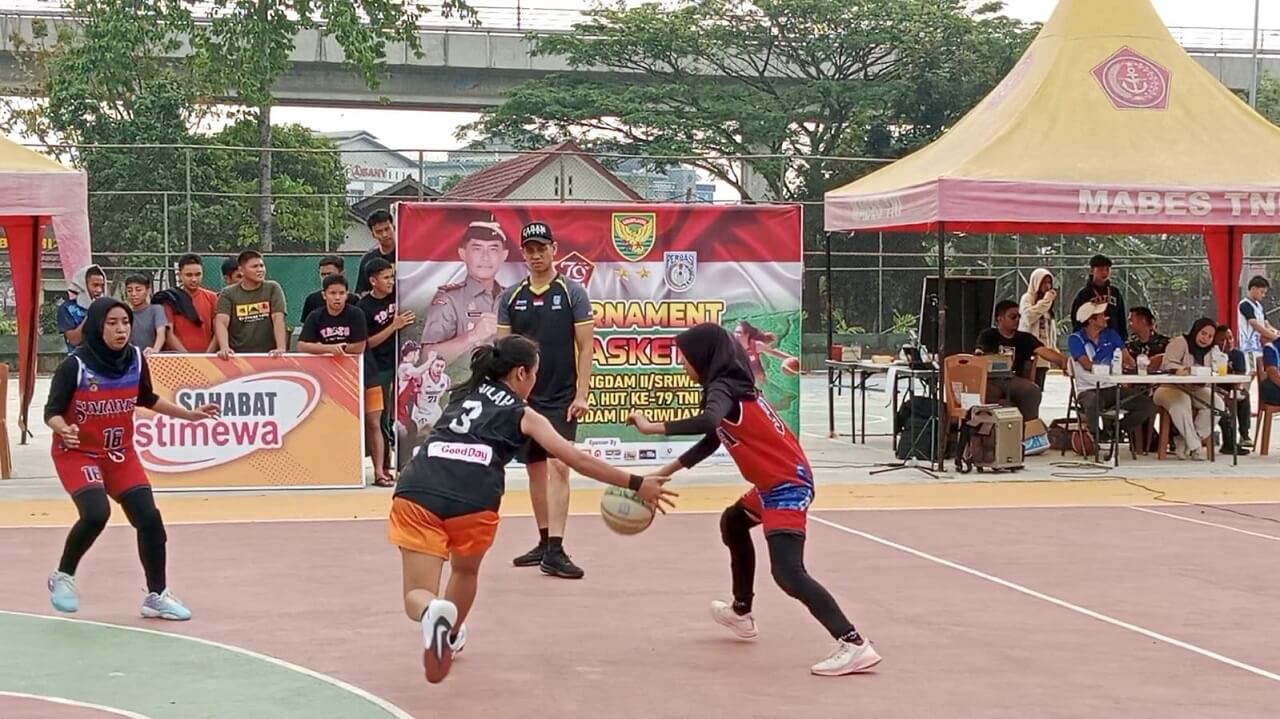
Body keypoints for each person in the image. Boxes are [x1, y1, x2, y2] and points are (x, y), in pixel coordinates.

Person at [390, 334, 676, 684]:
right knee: (465, 572)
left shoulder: (460, 395)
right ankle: (448, 635)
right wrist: (636, 482)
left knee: (416, 595)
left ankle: (433, 612)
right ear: (521, 373)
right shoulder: (523, 413)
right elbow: (577, 459)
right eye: (536, 374)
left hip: (420, 486)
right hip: (474, 495)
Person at [628, 322, 880, 677]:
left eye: (685, 358)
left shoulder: (722, 391)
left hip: (787, 486)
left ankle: (853, 643)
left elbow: (709, 420)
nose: (682, 364)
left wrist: (653, 426)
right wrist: (663, 473)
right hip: (772, 484)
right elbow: (714, 439)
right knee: (733, 522)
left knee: (788, 573)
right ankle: (741, 613)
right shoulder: (731, 387)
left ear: (703, 357)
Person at [44, 297, 219, 620]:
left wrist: (188, 416)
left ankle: (157, 595)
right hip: (78, 453)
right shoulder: (75, 366)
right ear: (97, 326)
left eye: (125, 322)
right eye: (112, 323)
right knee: (97, 513)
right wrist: (64, 428)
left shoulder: (136, 359)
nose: (121, 329)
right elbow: (51, 413)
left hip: (120, 454)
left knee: (149, 518)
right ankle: (63, 576)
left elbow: (148, 398)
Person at [498, 221, 595, 579]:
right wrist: (505, 394)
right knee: (535, 467)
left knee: (559, 466)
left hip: (562, 396)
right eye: (529, 249)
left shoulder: (572, 292)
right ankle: (543, 540)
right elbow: (502, 351)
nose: (536, 255)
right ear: (522, 253)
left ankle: (556, 548)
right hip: (524, 398)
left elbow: (586, 347)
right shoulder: (509, 297)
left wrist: (581, 395)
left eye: (542, 248)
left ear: (554, 248)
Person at [298, 274, 389, 485]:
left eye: (341, 293)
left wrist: (331, 349)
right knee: (333, 423)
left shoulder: (355, 314)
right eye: (332, 293)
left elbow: (359, 346)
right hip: (333, 379)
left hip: (367, 374)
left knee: (374, 423)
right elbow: (302, 346)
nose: (337, 298)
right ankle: (332, 470)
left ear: (347, 294)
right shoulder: (316, 316)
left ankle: (379, 472)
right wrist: (327, 349)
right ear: (324, 295)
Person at [1068, 301, 1154, 452]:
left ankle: (1116, 430)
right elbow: (1086, 364)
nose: (1106, 318)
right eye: (1101, 315)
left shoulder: (1112, 335)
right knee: (1093, 402)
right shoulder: (1075, 339)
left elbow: (1128, 359)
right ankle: (1095, 437)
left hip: (1112, 387)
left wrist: (1137, 364)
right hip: (1088, 389)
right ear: (1091, 320)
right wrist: (1110, 369)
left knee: (1146, 404)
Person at [421, 220, 509, 366]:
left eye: (493, 249)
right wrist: (472, 336)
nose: (485, 257)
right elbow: (426, 357)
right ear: (463, 254)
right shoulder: (449, 299)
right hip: (466, 385)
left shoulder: (513, 297)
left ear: (504, 255)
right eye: (477, 248)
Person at [360, 258, 415, 481]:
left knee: (404, 413)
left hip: (403, 364)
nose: (391, 281)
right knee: (381, 418)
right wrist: (393, 326)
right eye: (386, 278)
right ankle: (382, 466)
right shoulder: (364, 308)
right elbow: (366, 343)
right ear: (373, 281)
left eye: (392, 276)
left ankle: (406, 463)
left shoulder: (401, 296)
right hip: (380, 367)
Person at [974, 300, 1066, 423]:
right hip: (990, 379)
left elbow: (1044, 351)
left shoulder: (1025, 338)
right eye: (1013, 317)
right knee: (989, 393)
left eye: (1019, 317)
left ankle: (1029, 430)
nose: (1017, 320)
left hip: (1013, 379)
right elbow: (978, 354)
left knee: (1032, 390)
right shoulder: (988, 335)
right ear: (1000, 319)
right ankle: (989, 433)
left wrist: (1063, 360)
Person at [1154, 318, 1223, 461]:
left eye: (1210, 336)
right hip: (1168, 387)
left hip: (1195, 389)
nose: (1206, 339)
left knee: (1217, 404)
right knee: (1182, 401)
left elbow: (1211, 372)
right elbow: (1167, 364)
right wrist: (1189, 370)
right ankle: (1195, 447)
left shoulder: (1211, 351)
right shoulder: (1180, 342)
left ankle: (1185, 441)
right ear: (1196, 330)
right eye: (1203, 333)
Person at [215, 250, 287, 358]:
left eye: (261, 266)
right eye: (254, 267)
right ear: (241, 270)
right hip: (237, 356)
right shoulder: (228, 293)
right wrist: (224, 348)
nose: (260, 270)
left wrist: (281, 348)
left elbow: (278, 319)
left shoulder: (272, 288)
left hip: (268, 355)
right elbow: (221, 322)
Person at [156, 253, 218, 353]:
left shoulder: (212, 297)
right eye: (189, 275)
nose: (194, 279)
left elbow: (218, 332)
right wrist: (187, 357)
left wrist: (207, 356)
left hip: (208, 360)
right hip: (179, 360)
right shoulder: (171, 299)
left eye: (198, 274)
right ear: (180, 275)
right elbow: (169, 334)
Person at [1214, 325, 1252, 455]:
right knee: (1224, 402)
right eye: (1222, 340)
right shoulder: (1211, 355)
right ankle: (1229, 442)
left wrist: (1235, 391)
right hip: (1215, 389)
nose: (1228, 342)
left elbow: (1240, 378)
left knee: (1244, 396)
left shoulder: (1238, 355)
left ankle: (1244, 434)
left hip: (1231, 387)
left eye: (1230, 338)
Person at [1018, 268, 1059, 389]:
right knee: (1027, 388)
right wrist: (1046, 301)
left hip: (1044, 357)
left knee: (1038, 390)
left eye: (1049, 282)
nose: (1047, 286)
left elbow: (1050, 330)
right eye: (1044, 282)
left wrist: (1054, 352)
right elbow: (1029, 317)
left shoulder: (1048, 304)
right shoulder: (1027, 298)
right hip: (1029, 354)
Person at [1070, 254, 1126, 335]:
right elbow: (1077, 319)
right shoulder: (1084, 294)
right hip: (1092, 337)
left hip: (1113, 337)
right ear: (1092, 270)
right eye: (1100, 269)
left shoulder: (1115, 292)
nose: (1104, 273)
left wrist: (1123, 339)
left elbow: (1121, 318)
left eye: (1107, 269)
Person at [57, 264, 107, 353]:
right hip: (79, 361)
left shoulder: (108, 308)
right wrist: (92, 312)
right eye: (95, 285)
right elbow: (74, 340)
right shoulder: (66, 308)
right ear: (83, 285)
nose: (99, 290)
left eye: (102, 286)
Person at [123, 274, 169, 356]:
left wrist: (155, 350)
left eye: (138, 290)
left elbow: (161, 333)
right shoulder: (125, 313)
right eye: (130, 290)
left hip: (153, 358)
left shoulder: (156, 310)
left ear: (148, 291)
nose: (133, 294)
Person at [1238, 275, 1278, 361]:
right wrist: (1274, 337)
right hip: (1248, 347)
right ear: (1253, 289)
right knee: (1251, 370)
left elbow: (1267, 324)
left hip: (1259, 346)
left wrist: (1276, 332)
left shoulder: (1259, 306)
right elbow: (1255, 325)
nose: (1263, 295)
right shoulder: (1245, 305)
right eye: (1262, 292)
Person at [356, 210, 396, 296]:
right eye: (379, 231)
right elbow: (362, 291)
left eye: (387, 229)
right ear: (373, 234)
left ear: (394, 227)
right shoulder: (367, 260)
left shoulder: (406, 255)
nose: (384, 234)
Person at [299, 255, 350, 324]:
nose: (326, 278)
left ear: (342, 274)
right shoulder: (311, 300)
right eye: (323, 274)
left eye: (330, 274)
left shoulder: (353, 300)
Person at [1125, 307, 1170, 371]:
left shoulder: (1165, 344)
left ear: (1142, 321)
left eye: (1131, 320)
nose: (1129, 324)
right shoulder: (1129, 346)